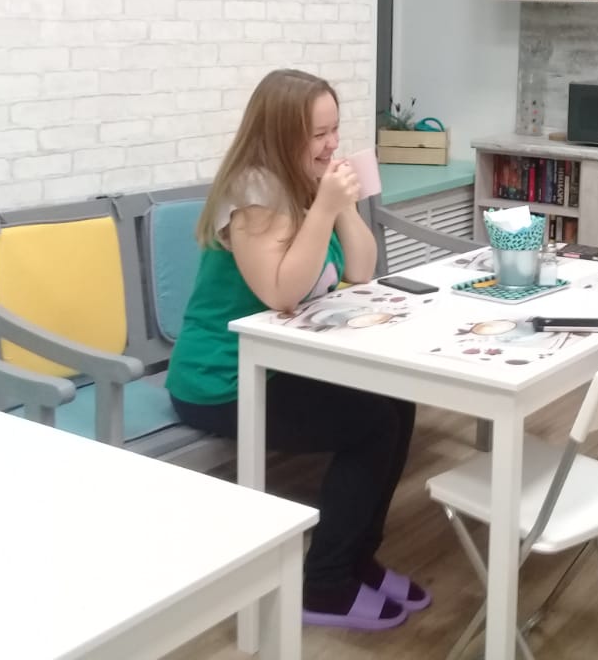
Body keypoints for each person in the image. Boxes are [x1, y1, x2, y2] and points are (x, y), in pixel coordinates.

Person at [166, 68, 428, 631]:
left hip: (280, 363)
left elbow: (361, 271)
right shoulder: (252, 197)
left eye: (335, 130)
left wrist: (343, 205)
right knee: (370, 426)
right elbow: (281, 292)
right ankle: (325, 583)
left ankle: (356, 559)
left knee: (396, 402)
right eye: (318, 134)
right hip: (222, 378)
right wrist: (325, 208)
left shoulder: (305, 183)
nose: (332, 144)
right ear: (282, 135)